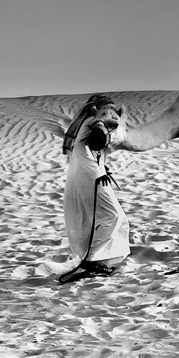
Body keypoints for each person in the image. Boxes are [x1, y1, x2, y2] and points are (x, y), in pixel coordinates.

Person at [62, 98, 129, 281]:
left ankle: (100, 259)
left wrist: (101, 167)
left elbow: (93, 149)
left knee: (111, 217)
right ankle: (93, 260)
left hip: (93, 176)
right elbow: (81, 148)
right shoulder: (96, 122)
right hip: (92, 179)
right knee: (113, 215)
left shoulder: (92, 121)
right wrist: (97, 172)